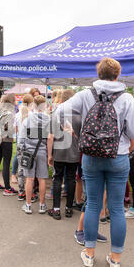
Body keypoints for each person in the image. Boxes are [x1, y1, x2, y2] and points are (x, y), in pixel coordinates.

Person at [56, 57, 134, 267]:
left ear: (98, 73)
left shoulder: (86, 94)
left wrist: (73, 131)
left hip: (91, 157)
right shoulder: (127, 99)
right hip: (118, 157)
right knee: (116, 209)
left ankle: (90, 253)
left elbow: (58, 112)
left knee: (93, 204)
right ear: (118, 75)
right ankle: (115, 259)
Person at [47, 89, 80, 220]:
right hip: (74, 152)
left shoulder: (56, 113)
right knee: (71, 179)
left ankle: (56, 209)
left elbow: (50, 137)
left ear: (62, 99)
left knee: (57, 178)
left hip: (59, 151)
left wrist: (49, 155)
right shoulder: (80, 114)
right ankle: (68, 208)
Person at [20, 95, 50, 214]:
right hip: (42, 151)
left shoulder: (27, 119)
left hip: (29, 152)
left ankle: (28, 205)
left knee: (29, 178)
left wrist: (21, 150)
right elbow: (51, 138)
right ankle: (42, 206)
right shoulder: (48, 120)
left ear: (34, 105)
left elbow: (22, 137)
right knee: (42, 179)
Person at [0, 93, 17, 195]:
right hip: (6, 139)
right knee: (6, 162)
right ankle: (7, 188)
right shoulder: (9, 112)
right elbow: (8, 128)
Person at [15, 94, 34, 201]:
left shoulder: (18, 114)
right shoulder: (31, 115)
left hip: (20, 142)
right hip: (28, 143)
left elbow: (16, 130)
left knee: (21, 167)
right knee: (29, 169)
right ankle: (29, 193)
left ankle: (21, 191)